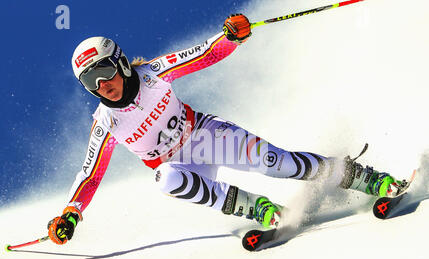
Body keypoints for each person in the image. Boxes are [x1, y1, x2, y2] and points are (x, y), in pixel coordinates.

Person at [47, 14, 408, 245]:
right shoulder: (106, 123)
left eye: (103, 72)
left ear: (121, 62)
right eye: (90, 81)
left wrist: (231, 37)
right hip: (185, 168)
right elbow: (90, 173)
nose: (102, 85)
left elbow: (200, 54)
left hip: (206, 137)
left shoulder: (152, 73)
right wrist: (71, 213)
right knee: (165, 180)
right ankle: (259, 209)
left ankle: (363, 178)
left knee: (279, 163)